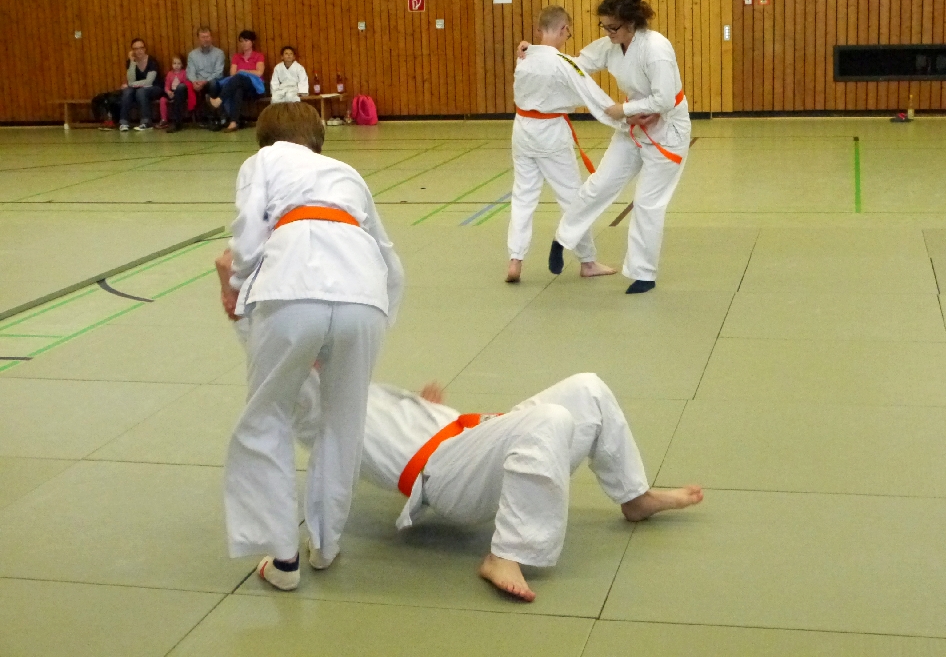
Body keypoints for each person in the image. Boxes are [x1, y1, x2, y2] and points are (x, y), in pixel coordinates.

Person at [213, 268, 705, 601]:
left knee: (587, 388)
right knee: (550, 421)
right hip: (444, 477)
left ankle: (634, 496)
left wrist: (423, 409)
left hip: (469, 442)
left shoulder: (355, 385)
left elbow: (381, 421)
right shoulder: (309, 404)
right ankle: (506, 554)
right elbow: (265, 347)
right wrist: (234, 294)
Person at [221, 102, 404, 592]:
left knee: (267, 416)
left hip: (292, 286)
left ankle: (283, 561)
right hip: (365, 295)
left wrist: (237, 287)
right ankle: (326, 544)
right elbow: (390, 260)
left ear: (265, 138)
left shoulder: (263, 160)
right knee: (343, 421)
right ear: (318, 140)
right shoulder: (347, 173)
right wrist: (372, 322)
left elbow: (248, 238)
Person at [527, 0, 691, 294]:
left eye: (613, 27)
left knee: (647, 203)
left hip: (668, 131)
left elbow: (665, 100)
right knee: (598, 184)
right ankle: (563, 239)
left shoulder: (656, 48)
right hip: (634, 126)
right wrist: (537, 53)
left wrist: (622, 110)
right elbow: (575, 65)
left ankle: (643, 273)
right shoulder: (611, 45)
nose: (608, 32)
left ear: (632, 23)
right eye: (604, 26)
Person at [506, 6, 618, 284]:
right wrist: (624, 118)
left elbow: (539, 59)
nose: (568, 36)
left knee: (523, 196)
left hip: (522, 130)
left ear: (538, 30)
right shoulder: (562, 63)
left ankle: (515, 259)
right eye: (568, 31)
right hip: (550, 133)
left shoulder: (524, 58)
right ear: (564, 29)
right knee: (571, 197)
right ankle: (587, 261)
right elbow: (592, 94)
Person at [209, 30, 266, 132]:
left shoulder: (258, 56)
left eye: (246, 40)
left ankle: (219, 100)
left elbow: (259, 73)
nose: (243, 43)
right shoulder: (237, 57)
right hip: (238, 85)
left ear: (252, 42)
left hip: (254, 87)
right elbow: (232, 74)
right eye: (241, 41)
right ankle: (233, 122)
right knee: (238, 89)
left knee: (239, 77)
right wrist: (241, 73)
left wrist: (244, 71)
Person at [183, 26, 225, 129]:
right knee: (180, 88)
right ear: (198, 39)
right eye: (203, 37)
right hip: (196, 83)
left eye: (207, 37)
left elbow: (219, 73)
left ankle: (212, 118)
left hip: (211, 82)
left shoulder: (219, 53)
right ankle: (177, 122)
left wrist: (204, 82)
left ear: (211, 37)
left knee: (213, 84)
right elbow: (190, 72)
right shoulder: (192, 55)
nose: (205, 39)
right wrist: (194, 82)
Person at [118, 38, 162, 131]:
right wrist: (132, 62)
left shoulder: (152, 61)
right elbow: (130, 79)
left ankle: (146, 122)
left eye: (141, 48)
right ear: (132, 51)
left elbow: (149, 82)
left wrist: (131, 84)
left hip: (154, 87)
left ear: (145, 49)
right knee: (127, 92)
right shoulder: (131, 62)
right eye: (136, 49)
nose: (139, 51)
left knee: (141, 92)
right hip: (137, 89)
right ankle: (124, 122)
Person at [156, 54, 194, 130]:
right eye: (174, 63)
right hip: (171, 92)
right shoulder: (170, 74)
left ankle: (178, 119)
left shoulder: (184, 73)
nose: (176, 65)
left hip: (180, 92)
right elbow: (167, 85)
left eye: (179, 63)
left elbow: (185, 84)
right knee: (162, 100)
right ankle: (164, 119)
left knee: (178, 98)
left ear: (182, 64)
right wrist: (168, 92)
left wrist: (176, 92)